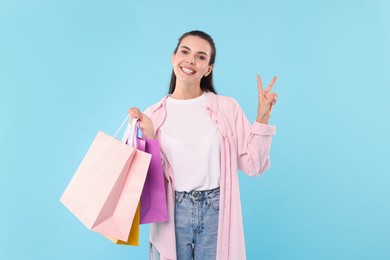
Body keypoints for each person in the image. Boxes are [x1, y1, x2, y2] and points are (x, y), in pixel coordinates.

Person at [128, 30, 278, 260]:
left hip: (215, 212)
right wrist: (147, 138)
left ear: (208, 68)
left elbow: (253, 165)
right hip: (171, 214)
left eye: (200, 56)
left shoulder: (226, 108)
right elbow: (148, 183)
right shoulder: (153, 116)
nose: (190, 60)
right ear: (173, 57)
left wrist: (262, 119)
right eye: (185, 52)